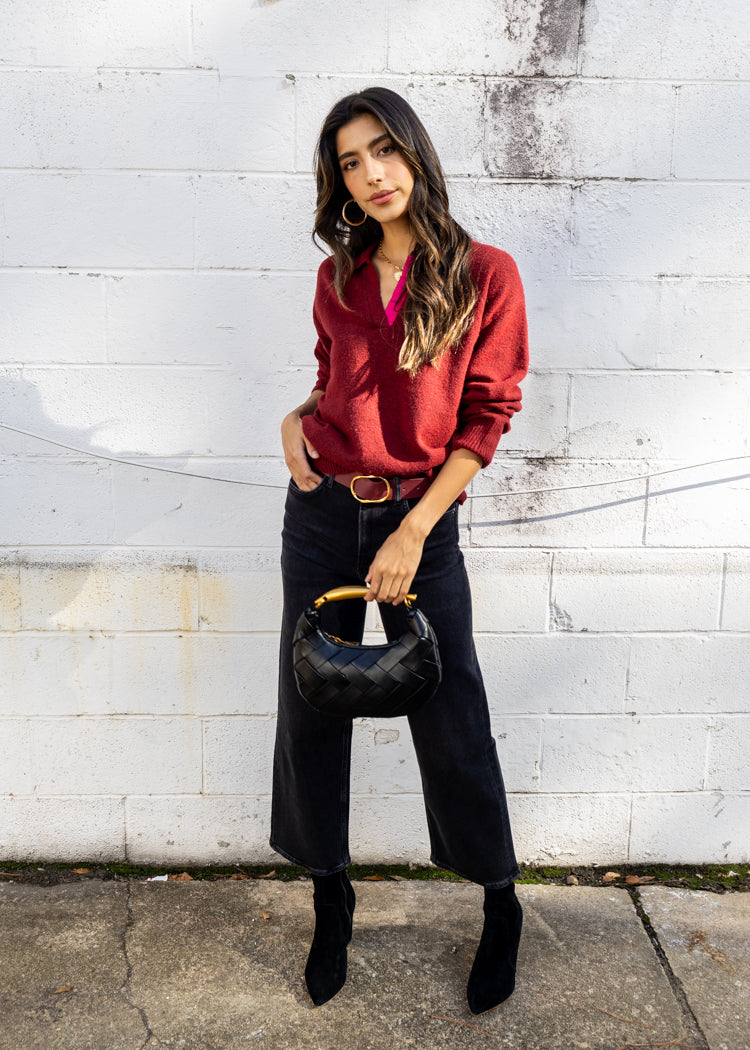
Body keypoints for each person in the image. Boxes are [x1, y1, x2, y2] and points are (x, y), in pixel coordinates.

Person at [270, 86, 528, 1014]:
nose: (371, 173)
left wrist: (414, 530)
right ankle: (330, 898)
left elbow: (486, 416)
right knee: (311, 706)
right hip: (321, 514)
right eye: (350, 161)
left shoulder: (485, 274)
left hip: (421, 517)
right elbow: (334, 382)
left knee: (451, 709)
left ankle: (500, 900)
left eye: (383, 149)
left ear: (414, 152)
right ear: (337, 181)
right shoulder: (337, 277)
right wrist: (293, 421)